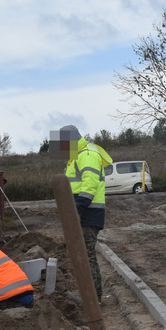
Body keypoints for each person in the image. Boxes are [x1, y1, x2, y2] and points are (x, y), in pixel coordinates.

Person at [51, 124, 112, 302]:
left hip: (88, 214)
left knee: (86, 255)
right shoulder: (77, 156)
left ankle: (92, 298)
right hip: (86, 213)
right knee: (84, 255)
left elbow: (89, 184)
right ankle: (90, 296)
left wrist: (77, 210)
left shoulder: (87, 154)